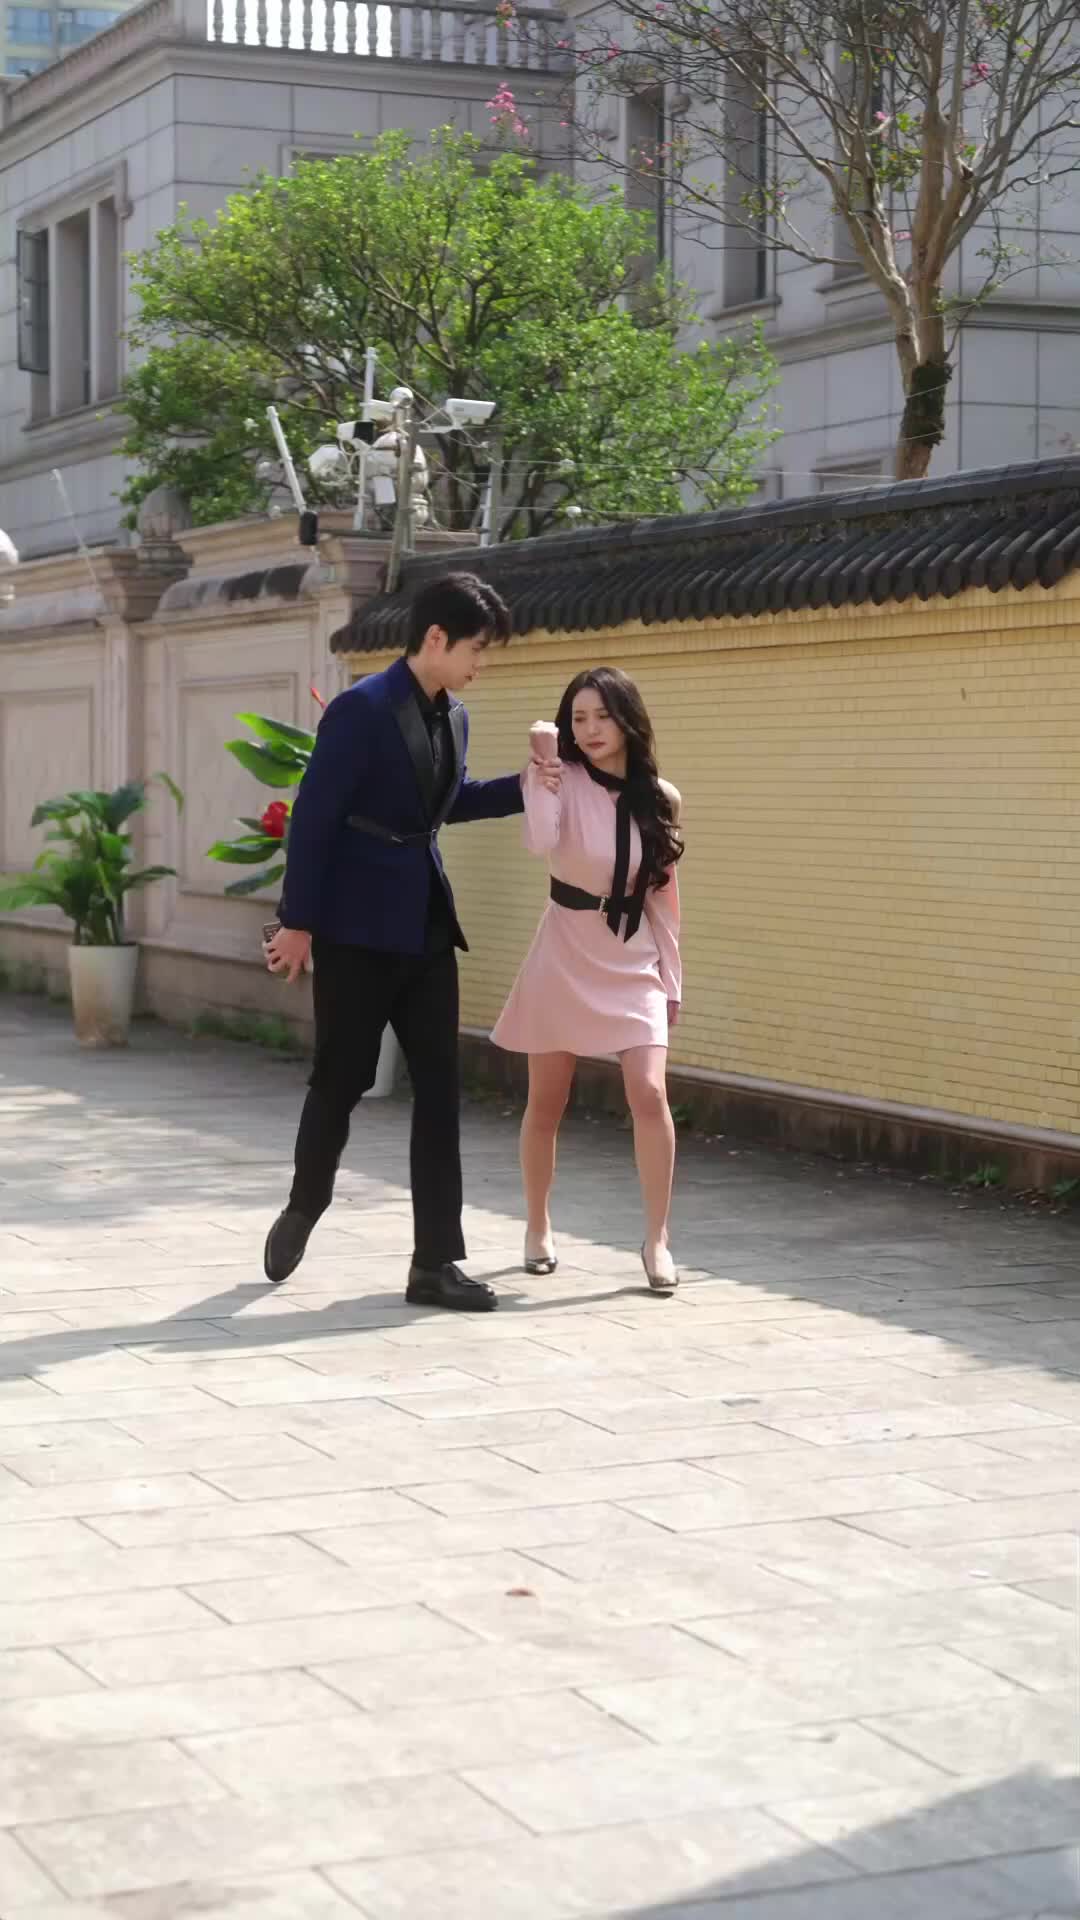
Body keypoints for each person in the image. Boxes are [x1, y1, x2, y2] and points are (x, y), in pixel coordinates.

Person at [263, 571, 555, 1314]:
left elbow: (448, 805)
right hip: (356, 930)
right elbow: (314, 819)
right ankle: (305, 1202)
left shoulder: (454, 717)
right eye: (475, 650)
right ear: (435, 637)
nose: (480, 664)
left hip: (425, 925)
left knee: (440, 1089)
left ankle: (433, 1264)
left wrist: (530, 785)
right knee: (343, 1078)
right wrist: (297, 921)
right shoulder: (361, 710)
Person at [492, 666, 684, 1292]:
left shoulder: (661, 798)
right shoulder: (557, 777)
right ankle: (537, 1225)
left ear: (628, 719)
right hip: (565, 950)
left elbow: (663, 899)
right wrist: (541, 778)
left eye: (602, 715)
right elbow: (538, 842)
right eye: (579, 718)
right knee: (547, 1100)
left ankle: (657, 1239)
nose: (591, 729)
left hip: (633, 957)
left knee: (649, 1092)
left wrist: (673, 981)